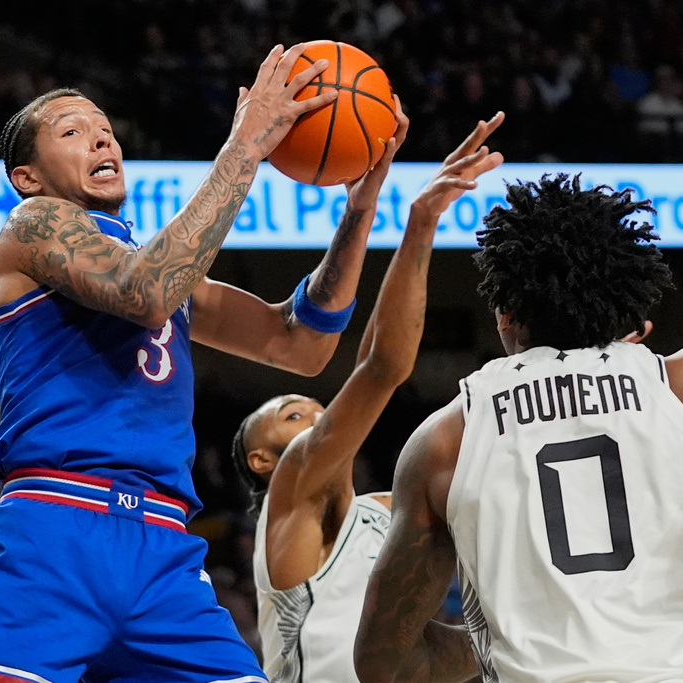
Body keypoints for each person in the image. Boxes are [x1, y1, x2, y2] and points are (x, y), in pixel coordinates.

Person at [0, 44, 407, 683]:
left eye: (106, 131)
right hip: (58, 530)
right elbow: (144, 295)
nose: (101, 141)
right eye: (73, 133)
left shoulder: (163, 270)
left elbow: (300, 343)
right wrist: (244, 148)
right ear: (27, 176)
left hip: (165, 550)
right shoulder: (32, 226)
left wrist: (359, 209)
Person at [354, 174, 683, 683]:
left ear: (504, 313)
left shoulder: (445, 439)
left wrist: (510, 635)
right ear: (625, 305)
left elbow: (384, 661)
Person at [231, 115, 504, 683]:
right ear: (262, 461)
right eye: (288, 413)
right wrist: (420, 223)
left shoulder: (390, 507)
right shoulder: (291, 497)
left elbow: (423, 651)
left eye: (308, 405)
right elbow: (382, 368)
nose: (312, 411)